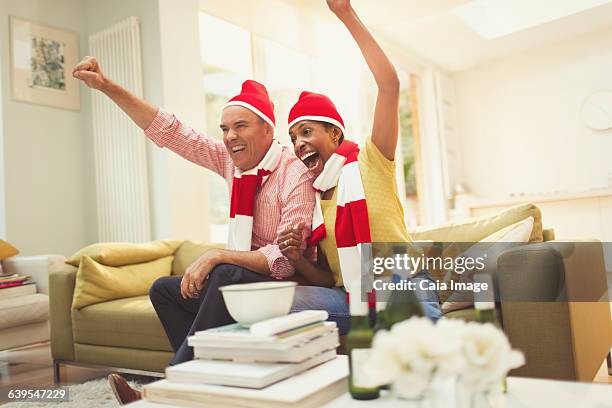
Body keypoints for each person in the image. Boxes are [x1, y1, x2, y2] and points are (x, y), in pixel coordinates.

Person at [73, 60, 315, 404]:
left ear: (266, 129)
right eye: (225, 128)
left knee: (225, 270)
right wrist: (107, 86)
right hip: (243, 280)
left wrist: (217, 254)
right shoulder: (233, 162)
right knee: (165, 290)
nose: (230, 136)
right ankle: (203, 386)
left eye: (240, 126)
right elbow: (172, 132)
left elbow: (284, 259)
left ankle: (168, 391)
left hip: (283, 285)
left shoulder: (295, 175)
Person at [279, 0, 442, 333]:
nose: (298, 144)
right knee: (279, 303)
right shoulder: (315, 199)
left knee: (430, 354)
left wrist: (345, 13)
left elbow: (389, 84)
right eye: (294, 137)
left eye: (307, 132)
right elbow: (330, 279)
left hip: (401, 282)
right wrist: (296, 258)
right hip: (349, 296)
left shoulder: (372, 159)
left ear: (335, 133)